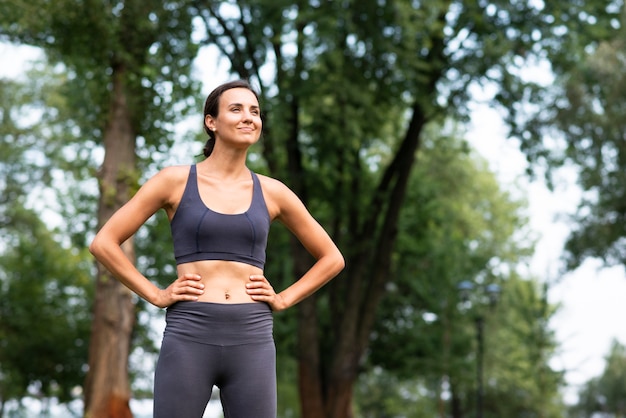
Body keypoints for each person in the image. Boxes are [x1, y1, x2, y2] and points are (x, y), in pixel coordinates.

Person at [89, 79, 345, 418]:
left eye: (254, 111)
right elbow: (104, 243)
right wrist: (155, 294)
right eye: (236, 109)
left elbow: (332, 258)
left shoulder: (273, 192)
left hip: (252, 336)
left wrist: (284, 298)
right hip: (189, 332)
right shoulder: (174, 181)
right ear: (212, 121)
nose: (248, 117)